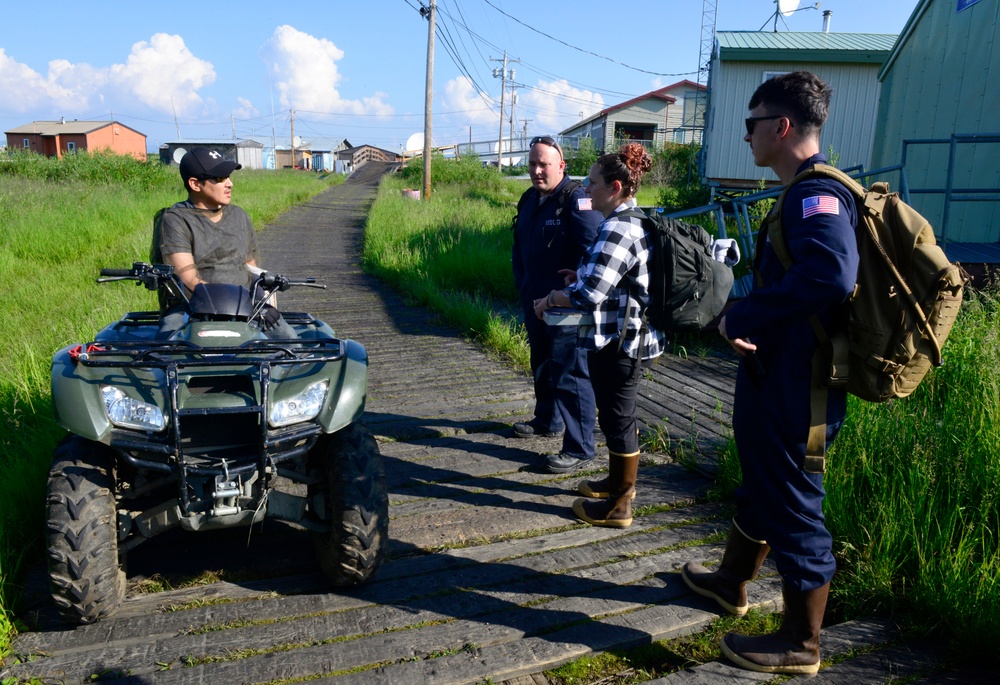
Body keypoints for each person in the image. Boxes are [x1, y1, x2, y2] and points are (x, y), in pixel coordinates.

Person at [680, 71, 860, 675]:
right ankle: (731, 582)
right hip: (776, 375)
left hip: (799, 387)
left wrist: (747, 312)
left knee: (795, 503)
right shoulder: (797, 193)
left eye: (751, 125)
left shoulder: (817, 196)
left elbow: (832, 275)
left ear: (781, 127)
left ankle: (802, 644)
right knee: (762, 479)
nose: (746, 136)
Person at [533, 142, 665, 528]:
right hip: (624, 335)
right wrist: (581, 277)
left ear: (617, 187)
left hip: (623, 342)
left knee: (619, 418)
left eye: (593, 183)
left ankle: (619, 506)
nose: (587, 190)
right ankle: (615, 483)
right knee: (613, 415)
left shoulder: (619, 228)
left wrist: (552, 298)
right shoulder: (630, 221)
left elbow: (590, 293)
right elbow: (613, 281)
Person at [511, 136, 602, 474]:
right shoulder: (530, 198)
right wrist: (523, 284)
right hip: (535, 302)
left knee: (571, 374)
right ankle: (547, 420)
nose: (536, 170)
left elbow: (596, 252)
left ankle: (580, 449)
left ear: (561, 166)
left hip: (567, 308)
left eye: (543, 164)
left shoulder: (575, 200)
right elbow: (519, 245)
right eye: (532, 163)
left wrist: (575, 279)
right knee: (542, 364)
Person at [151, 147, 297, 339]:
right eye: (220, 179)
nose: (230, 184)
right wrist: (227, 305)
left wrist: (262, 300)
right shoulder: (175, 220)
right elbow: (187, 278)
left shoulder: (239, 216)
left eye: (228, 177)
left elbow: (250, 268)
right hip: (192, 307)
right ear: (195, 184)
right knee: (168, 347)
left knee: (290, 342)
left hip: (244, 304)